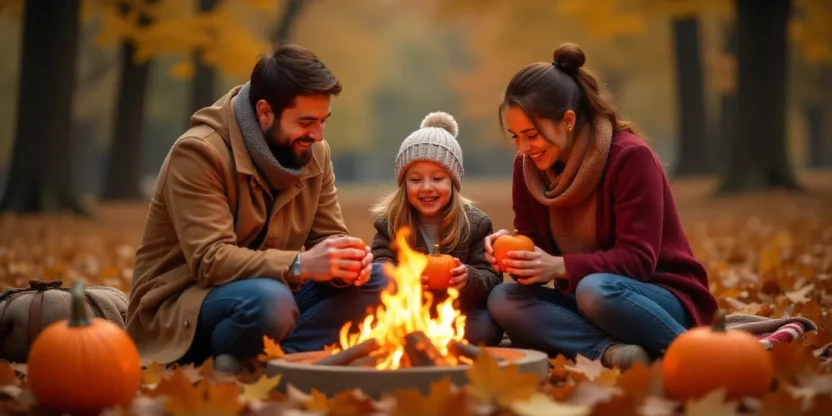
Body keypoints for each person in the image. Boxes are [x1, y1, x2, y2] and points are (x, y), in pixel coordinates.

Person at [125, 44, 386, 373]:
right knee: (270, 304)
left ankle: (260, 356)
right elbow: (210, 261)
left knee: (382, 282)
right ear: (265, 112)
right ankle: (263, 355)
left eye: (323, 121)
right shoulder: (199, 153)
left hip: (278, 289)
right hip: (186, 304)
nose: (318, 135)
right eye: (306, 122)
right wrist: (300, 263)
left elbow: (329, 235)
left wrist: (346, 262)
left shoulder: (315, 152)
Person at [484, 43, 718, 370]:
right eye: (515, 137)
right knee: (503, 299)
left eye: (532, 135)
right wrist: (515, 253)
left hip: (657, 296)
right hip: (585, 297)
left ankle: (696, 352)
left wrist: (561, 266)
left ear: (567, 120)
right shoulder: (527, 170)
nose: (524, 148)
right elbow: (538, 259)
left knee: (595, 291)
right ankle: (613, 352)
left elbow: (638, 261)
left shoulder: (630, 157)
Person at [370, 111, 504, 347]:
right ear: (403, 184)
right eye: (415, 179)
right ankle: (415, 340)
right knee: (374, 320)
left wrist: (468, 278)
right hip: (410, 311)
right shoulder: (390, 223)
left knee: (485, 327)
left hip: (458, 312)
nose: (427, 187)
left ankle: (440, 342)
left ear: (454, 181)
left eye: (438, 178)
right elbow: (380, 262)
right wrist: (402, 278)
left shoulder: (475, 224)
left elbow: (492, 278)